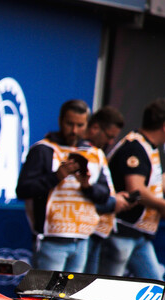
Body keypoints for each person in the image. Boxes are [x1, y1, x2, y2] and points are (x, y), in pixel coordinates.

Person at [17, 99, 111, 273]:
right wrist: (56, 177)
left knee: (71, 298)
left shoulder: (95, 153)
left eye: (80, 125)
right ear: (60, 121)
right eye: (70, 124)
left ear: (87, 125)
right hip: (51, 240)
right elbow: (22, 190)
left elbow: (106, 195)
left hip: (82, 240)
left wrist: (87, 187)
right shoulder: (43, 149)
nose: (74, 130)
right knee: (45, 296)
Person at [102, 98, 165, 279]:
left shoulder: (149, 147)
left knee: (155, 285)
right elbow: (136, 189)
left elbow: (162, 178)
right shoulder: (134, 147)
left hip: (139, 233)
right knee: (107, 284)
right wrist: (162, 205)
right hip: (122, 230)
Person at [83, 106, 128, 275]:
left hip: (98, 232)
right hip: (84, 233)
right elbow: (86, 198)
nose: (110, 142)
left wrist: (114, 199)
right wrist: (114, 202)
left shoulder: (97, 153)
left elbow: (100, 191)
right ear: (95, 128)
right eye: (109, 136)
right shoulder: (84, 153)